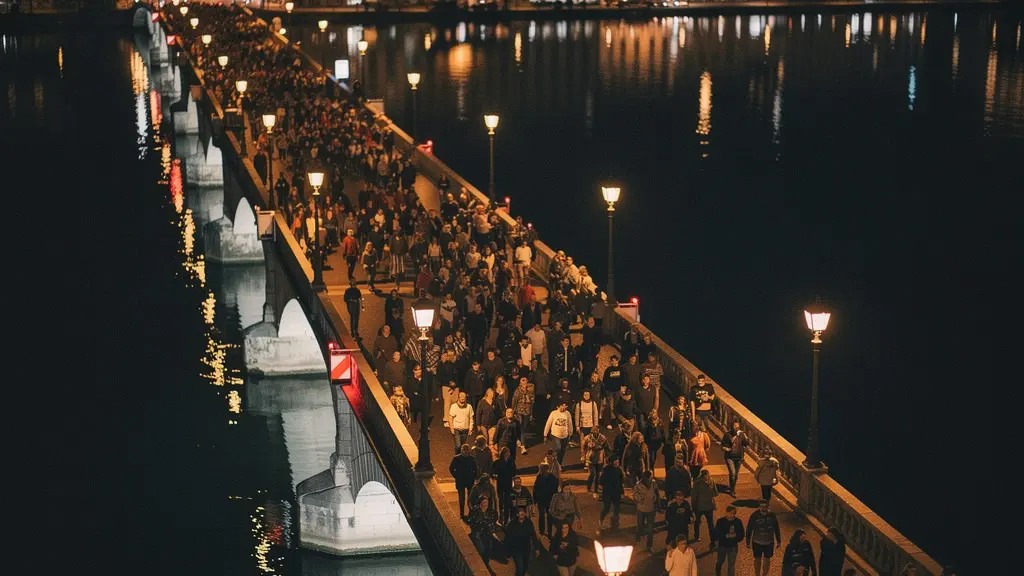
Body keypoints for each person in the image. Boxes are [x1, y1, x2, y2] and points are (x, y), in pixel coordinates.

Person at [746, 499, 783, 576]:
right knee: (757, 559)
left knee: (767, 559)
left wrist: (778, 540)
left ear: (768, 507)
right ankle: (757, 574)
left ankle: (764, 574)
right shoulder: (754, 516)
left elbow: (776, 528)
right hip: (757, 542)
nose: (763, 509)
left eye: (765, 507)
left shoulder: (772, 515)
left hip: (769, 542)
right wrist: (748, 541)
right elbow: (749, 528)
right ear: (759, 507)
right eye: (762, 507)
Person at [504, 506, 541, 576]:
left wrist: (536, 548)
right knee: (519, 567)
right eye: (520, 514)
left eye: (523, 514)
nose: (522, 515)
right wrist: (507, 551)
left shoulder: (529, 523)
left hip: (526, 548)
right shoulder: (512, 524)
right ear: (517, 514)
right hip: (516, 549)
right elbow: (508, 537)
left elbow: (533, 535)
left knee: (525, 566)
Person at [714, 505, 745, 576]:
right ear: (726, 513)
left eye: (734, 513)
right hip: (722, 546)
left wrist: (735, 536)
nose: (732, 515)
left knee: (731, 565)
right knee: (720, 561)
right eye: (730, 513)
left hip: (733, 547)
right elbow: (717, 534)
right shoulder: (720, 521)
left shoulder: (738, 521)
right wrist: (726, 536)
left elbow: (742, 534)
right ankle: (717, 573)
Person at [449, 444, 478, 519]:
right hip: (463, 481)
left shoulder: (470, 459)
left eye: (466, 450)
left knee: (469, 498)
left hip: (466, 481)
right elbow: (451, 468)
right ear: (462, 450)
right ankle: (462, 513)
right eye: (464, 450)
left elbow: (476, 469)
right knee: (462, 498)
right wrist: (456, 476)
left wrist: (456, 476)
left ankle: (468, 513)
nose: (465, 452)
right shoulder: (457, 458)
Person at [721, 420, 750, 496]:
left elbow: (746, 444)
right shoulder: (727, 435)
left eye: (737, 426)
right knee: (733, 473)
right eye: (735, 426)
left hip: (739, 457)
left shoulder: (741, 435)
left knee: (735, 475)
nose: (736, 427)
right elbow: (722, 446)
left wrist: (746, 438)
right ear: (732, 426)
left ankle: (731, 487)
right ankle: (732, 490)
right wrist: (726, 449)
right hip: (729, 457)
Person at [632, 470, 658, 553]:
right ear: (646, 478)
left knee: (650, 529)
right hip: (641, 509)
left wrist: (656, 500)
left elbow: (657, 493)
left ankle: (649, 546)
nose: (652, 478)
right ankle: (637, 539)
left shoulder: (653, 483)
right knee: (640, 526)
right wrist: (641, 499)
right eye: (650, 477)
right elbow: (635, 495)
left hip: (651, 509)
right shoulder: (638, 485)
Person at [468, 495, 498, 564]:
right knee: (482, 551)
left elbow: (492, 522)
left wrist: (493, 532)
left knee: (488, 549)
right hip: (478, 534)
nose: (485, 505)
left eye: (486, 503)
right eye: (483, 503)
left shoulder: (490, 512)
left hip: (487, 534)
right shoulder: (475, 512)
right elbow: (471, 523)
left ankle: (486, 563)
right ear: (480, 503)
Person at [691, 468, 718, 546]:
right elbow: (715, 493)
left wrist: (693, 507)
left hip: (699, 507)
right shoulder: (712, 481)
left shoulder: (696, 483)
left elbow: (694, 497)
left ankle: (697, 536)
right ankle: (713, 541)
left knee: (697, 522)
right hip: (709, 507)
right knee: (711, 525)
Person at [598, 458, 625, 532]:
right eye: (615, 462)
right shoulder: (606, 469)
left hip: (616, 492)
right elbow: (601, 482)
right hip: (607, 492)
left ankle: (614, 523)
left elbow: (621, 482)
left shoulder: (619, 470)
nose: (617, 463)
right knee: (607, 508)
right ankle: (600, 521)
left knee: (617, 508)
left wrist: (622, 492)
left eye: (617, 462)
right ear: (611, 462)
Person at [582, 427, 609, 497]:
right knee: (592, 474)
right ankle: (589, 486)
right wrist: (584, 455)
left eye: (596, 430)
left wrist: (607, 456)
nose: (595, 432)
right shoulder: (588, 438)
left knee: (598, 475)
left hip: (600, 457)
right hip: (591, 457)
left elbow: (606, 447)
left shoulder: (603, 438)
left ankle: (596, 490)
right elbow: (584, 446)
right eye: (594, 430)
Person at [534, 462, 559, 537]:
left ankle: (544, 530)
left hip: (544, 500)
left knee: (545, 515)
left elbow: (535, 489)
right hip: (546, 499)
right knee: (546, 515)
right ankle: (547, 530)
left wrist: (535, 500)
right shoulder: (549, 477)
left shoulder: (542, 477)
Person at [494, 446, 516, 524]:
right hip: (501, 483)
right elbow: (494, 471)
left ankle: (506, 518)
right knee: (501, 500)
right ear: (503, 454)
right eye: (506, 453)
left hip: (508, 483)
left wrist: (513, 476)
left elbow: (514, 471)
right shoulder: (498, 461)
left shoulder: (511, 461)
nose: (508, 454)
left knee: (507, 500)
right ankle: (501, 515)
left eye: (508, 453)